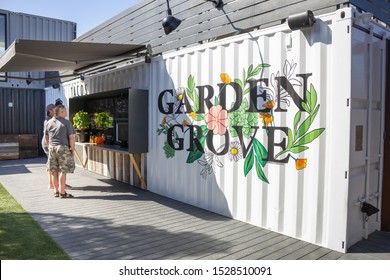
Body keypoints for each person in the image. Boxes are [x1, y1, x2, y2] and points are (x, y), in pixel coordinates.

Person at [44, 105, 75, 198]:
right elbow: (72, 137)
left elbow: (46, 137)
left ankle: (56, 191)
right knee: (63, 171)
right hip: (63, 149)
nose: (66, 112)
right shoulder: (67, 123)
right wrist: (72, 149)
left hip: (52, 148)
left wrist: (49, 146)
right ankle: (62, 193)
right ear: (61, 112)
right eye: (65, 111)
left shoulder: (49, 122)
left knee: (54, 171)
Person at [42, 104, 56, 189]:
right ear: (50, 110)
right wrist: (49, 145)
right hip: (48, 144)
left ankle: (52, 183)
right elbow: (48, 135)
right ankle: (51, 184)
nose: (56, 110)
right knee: (52, 164)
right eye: (54, 109)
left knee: (51, 163)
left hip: (49, 144)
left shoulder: (52, 119)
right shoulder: (48, 120)